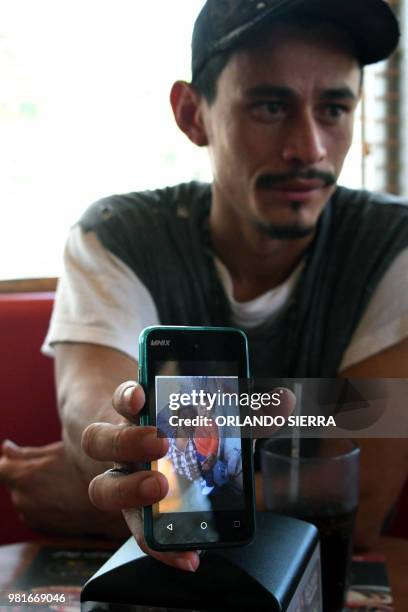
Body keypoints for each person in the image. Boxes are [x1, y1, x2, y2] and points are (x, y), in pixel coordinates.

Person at [2, 0, 408, 574]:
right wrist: (126, 453)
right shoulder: (118, 235)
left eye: (335, 108)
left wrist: (92, 502)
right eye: (271, 106)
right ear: (193, 114)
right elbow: (90, 408)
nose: (310, 149)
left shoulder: (392, 246)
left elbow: (358, 502)